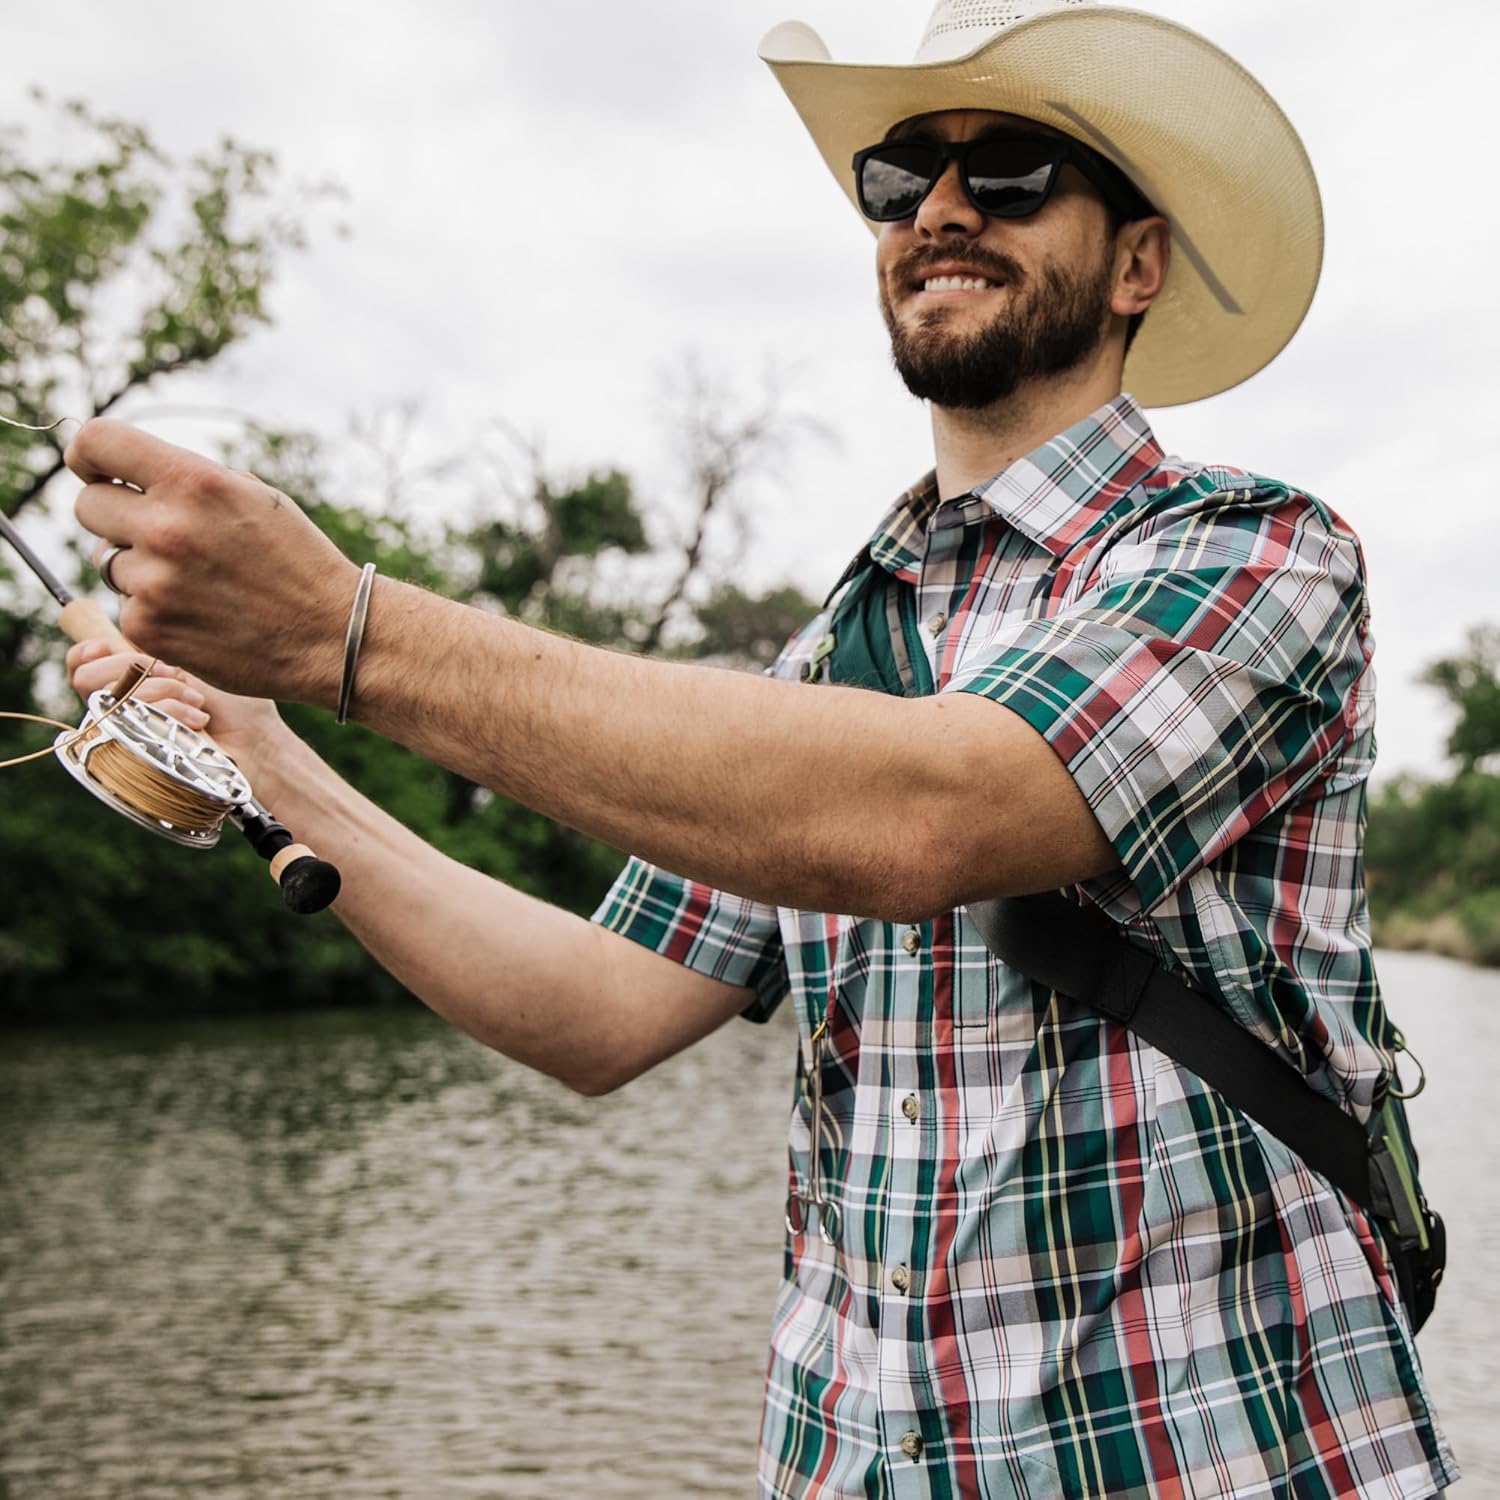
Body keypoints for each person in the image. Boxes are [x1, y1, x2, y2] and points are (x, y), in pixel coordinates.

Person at [64, 1, 1456, 1494]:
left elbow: (928, 817)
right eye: (900, 174)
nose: (936, 211)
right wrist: (270, 745)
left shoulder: (1261, 555)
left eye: (1009, 176)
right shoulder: (824, 659)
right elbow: (592, 1012)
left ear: (1136, 262)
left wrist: (347, 628)